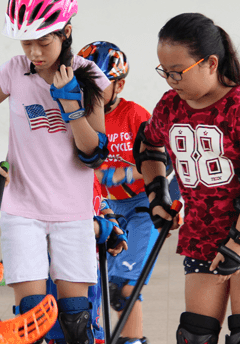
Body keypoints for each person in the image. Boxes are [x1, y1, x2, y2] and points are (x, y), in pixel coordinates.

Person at [0, 0, 112, 344]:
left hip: (72, 212)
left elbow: (93, 154)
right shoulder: (14, 72)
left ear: (66, 31)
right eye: (26, 42)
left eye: (43, 41)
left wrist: (71, 106)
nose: (34, 52)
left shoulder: (90, 76)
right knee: (32, 317)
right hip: (21, 209)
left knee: (77, 324)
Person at [135, 13, 240, 344]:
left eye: (178, 72)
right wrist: (158, 197)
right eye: (164, 71)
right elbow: (148, 148)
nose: (170, 80)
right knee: (195, 334)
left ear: (210, 63)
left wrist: (236, 243)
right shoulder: (169, 106)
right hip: (203, 231)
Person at [80, 41, 157, 344]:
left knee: (124, 286)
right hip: (106, 211)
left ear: (119, 84)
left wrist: (125, 173)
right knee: (100, 284)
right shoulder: (80, 118)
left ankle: (133, 341)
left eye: (99, 86)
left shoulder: (135, 115)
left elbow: (161, 164)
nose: (90, 93)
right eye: (85, 85)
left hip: (141, 209)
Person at [45, 177, 128, 344]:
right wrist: (97, 227)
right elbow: (52, 223)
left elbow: (99, 199)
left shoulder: (88, 169)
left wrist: (111, 219)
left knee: (91, 328)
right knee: (69, 330)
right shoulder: (57, 170)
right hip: (63, 266)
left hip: (90, 262)